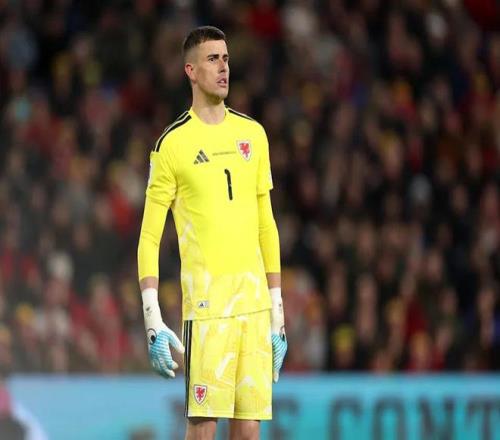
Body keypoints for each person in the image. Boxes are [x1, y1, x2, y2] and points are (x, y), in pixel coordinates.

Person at [137, 26, 287, 440]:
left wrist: (277, 314)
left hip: (254, 309)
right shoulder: (172, 145)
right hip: (208, 310)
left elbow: (266, 224)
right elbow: (149, 237)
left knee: (249, 432)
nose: (223, 67)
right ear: (191, 70)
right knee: (203, 430)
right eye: (212, 59)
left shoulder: (253, 135)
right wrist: (152, 319)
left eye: (226, 59)